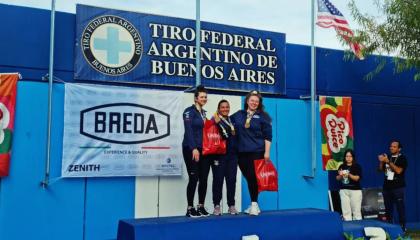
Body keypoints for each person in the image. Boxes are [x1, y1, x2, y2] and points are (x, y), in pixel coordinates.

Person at [232, 90, 272, 216]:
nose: (254, 103)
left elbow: (268, 137)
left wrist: (267, 153)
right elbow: (226, 120)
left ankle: (254, 204)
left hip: (257, 152)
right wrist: (214, 118)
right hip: (241, 153)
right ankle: (255, 204)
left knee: (253, 178)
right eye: (252, 100)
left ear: (259, 103)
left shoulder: (263, 117)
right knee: (249, 178)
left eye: (256, 101)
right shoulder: (239, 114)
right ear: (247, 101)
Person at [182, 85, 211, 218]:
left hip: (204, 150)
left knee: (203, 179)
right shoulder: (188, 111)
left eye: (205, 97)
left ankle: (200, 206)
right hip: (191, 148)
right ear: (195, 98)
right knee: (194, 178)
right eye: (202, 97)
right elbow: (188, 131)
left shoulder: (204, 113)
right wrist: (194, 148)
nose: (204, 99)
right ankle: (189, 208)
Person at [212, 100, 239, 215]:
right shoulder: (214, 120)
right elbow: (215, 136)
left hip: (232, 156)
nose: (225, 109)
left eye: (227, 107)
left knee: (231, 180)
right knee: (218, 180)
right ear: (219, 108)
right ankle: (217, 205)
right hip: (219, 155)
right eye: (222, 107)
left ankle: (231, 205)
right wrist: (217, 123)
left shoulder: (232, 120)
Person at [378, 140, 408, 232]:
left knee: (400, 208)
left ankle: (403, 227)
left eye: (394, 146)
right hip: (387, 186)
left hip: (398, 187)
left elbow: (399, 171)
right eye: (391, 146)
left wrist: (388, 162)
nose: (391, 148)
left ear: (399, 149)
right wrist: (381, 162)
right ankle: (389, 227)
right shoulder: (388, 156)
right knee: (388, 208)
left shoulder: (402, 158)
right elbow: (380, 170)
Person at [336, 149, 363, 221]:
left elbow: (357, 178)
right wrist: (341, 175)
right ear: (345, 157)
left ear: (353, 157)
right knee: (346, 212)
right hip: (344, 190)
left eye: (350, 156)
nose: (348, 158)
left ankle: (357, 229)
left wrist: (348, 174)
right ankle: (348, 229)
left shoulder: (357, 166)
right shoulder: (342, 166)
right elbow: (337, 178)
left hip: (355, 191)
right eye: (347, 156)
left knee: (356, 212)